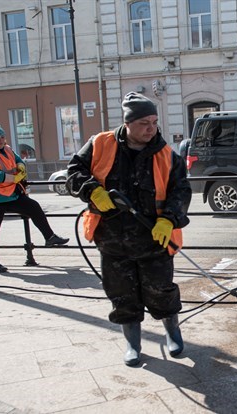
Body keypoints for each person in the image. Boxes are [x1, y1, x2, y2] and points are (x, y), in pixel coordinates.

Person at [66, 92, 192, 366]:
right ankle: (133, 343)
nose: (151, 128)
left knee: (161, 290)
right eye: (144, 122)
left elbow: (181, 191)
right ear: (127, 123)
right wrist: (91, 191)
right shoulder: (100, 144)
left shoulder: (168, 155)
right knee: (122, 294)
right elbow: (74, 171)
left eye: (155, 121)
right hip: (112, 240)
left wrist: (168, 219)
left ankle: (173, 332)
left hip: (154, 239)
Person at [0, 123, 69, 273]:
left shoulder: (7, 148)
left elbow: (18, 160)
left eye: (2, 137)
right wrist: (14, 178)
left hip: (9, 193)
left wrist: (21, 165)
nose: (0, 140)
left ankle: (50, 237)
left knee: (33, 207)